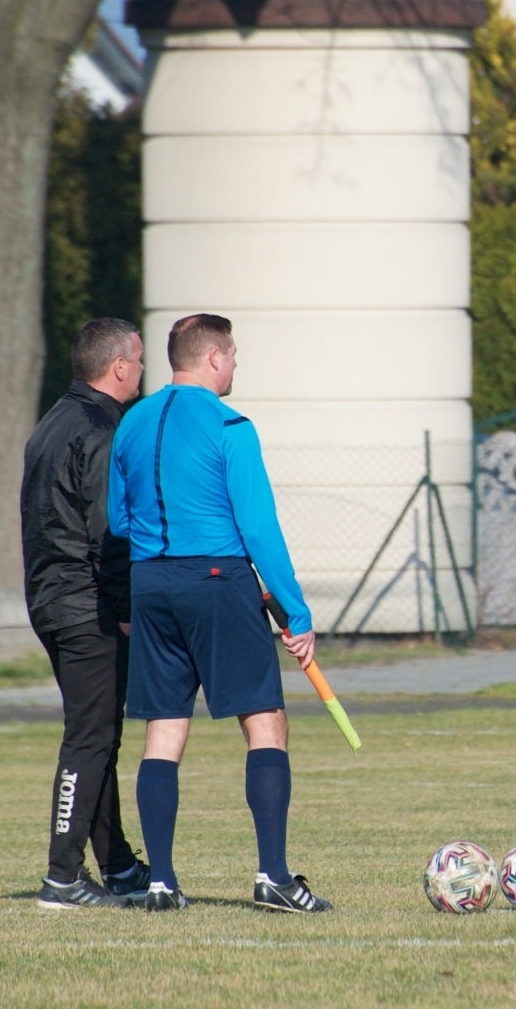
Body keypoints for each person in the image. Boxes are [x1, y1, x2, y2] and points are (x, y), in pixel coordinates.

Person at [108, 313, 330, 914]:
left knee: (164, 729)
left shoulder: (131, 423)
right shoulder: (231, 424)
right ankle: (274, 877)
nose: (235, 366)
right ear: (213, 359)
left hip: (150, 581)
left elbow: (119, 522)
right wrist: (297, 612)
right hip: (217, 577)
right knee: (265, 722)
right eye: (232, 355)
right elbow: (259, 527)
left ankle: (162, 883)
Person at [23, 318, 153, 909]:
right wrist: (124, 607)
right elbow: (109, 533)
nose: (143, 373)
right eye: (141, 362)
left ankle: (119, 866)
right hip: (87, 606)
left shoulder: (51, 423)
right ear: (120, 366)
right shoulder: (102, 430)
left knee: (98, 737)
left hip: (50, 599)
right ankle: (63, 876)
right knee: (90, 739)